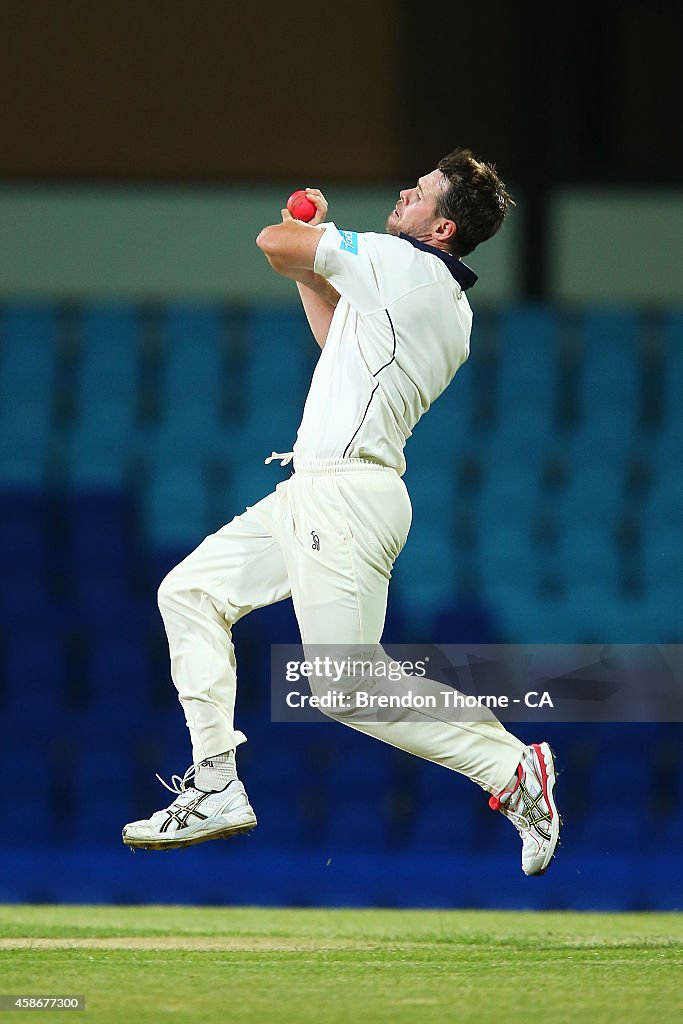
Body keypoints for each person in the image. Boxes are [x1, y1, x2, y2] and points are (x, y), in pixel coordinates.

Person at [122, 148, 561, 876]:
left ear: (442, 229)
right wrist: (312, 266)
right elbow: (337, 341)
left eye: (418, 194)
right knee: (189, 591)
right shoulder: (439, 298)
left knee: (344, 687)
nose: (402, 194)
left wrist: (307, 231)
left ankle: (510, 769)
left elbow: (272, 242)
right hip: (319, 488)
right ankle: (214, 782)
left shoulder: (402, 262)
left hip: (346, 495)